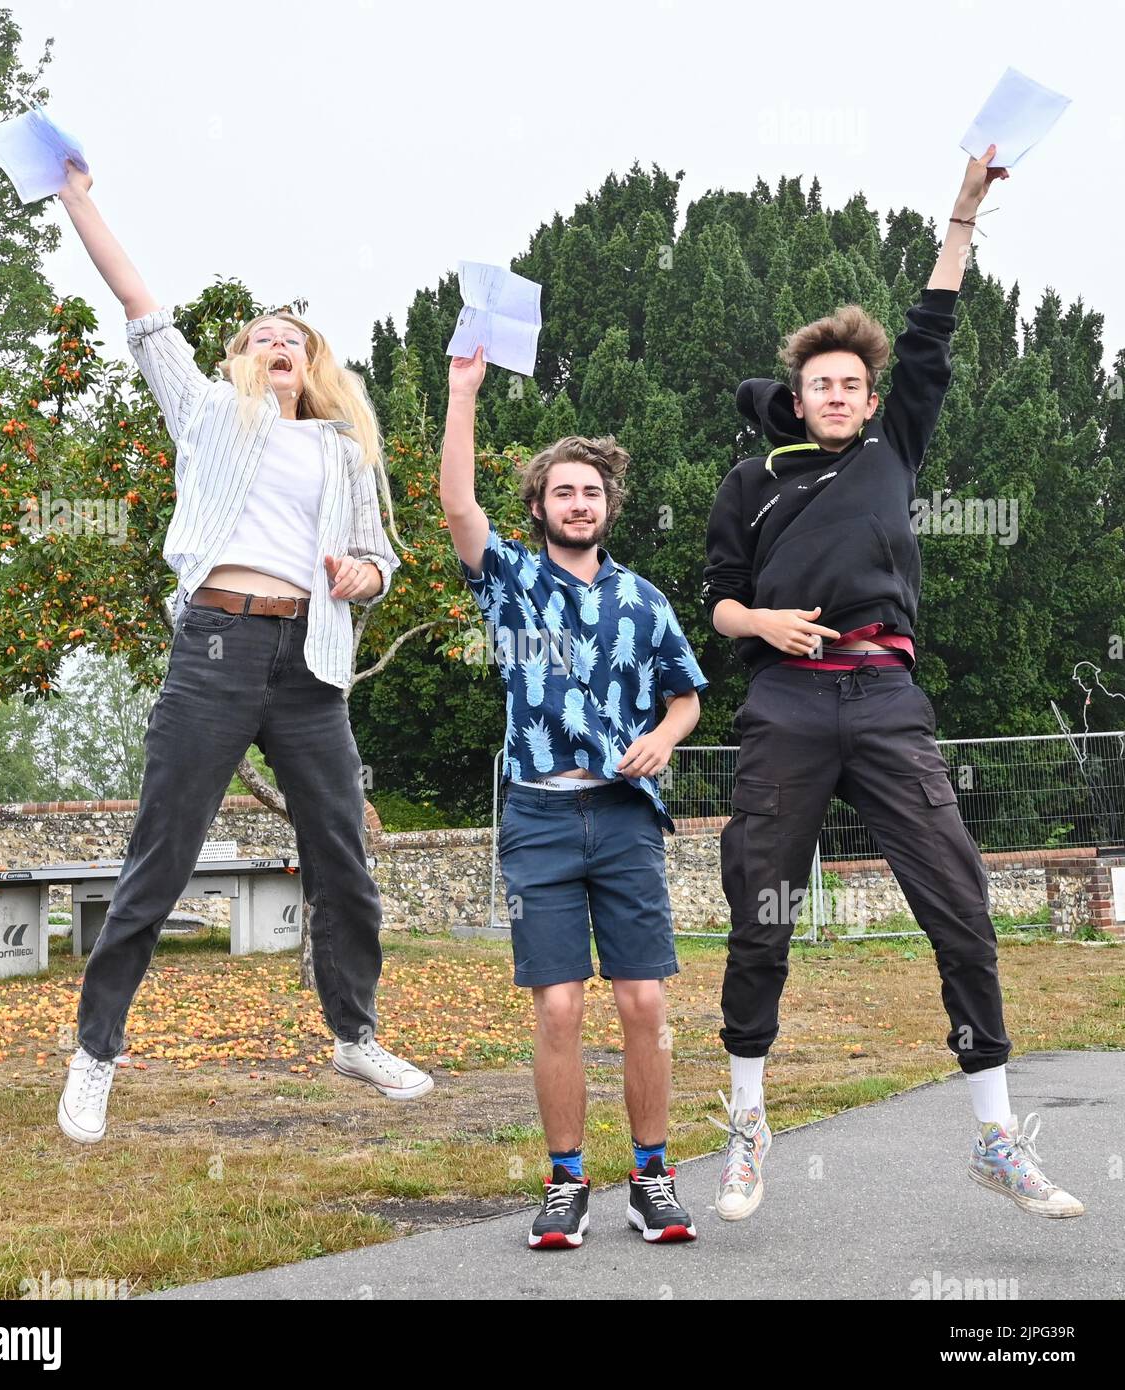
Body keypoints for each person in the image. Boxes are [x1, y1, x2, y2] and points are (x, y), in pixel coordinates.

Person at [702, 145, 1084, 1221]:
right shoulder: (750, 482)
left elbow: (931, 337)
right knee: (761, 910)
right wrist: (760, 621)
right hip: (784, 699)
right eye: (818, 382)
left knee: (959, 905)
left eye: (852, 385)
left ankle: (997, 1137)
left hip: (885, 700)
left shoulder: (891, 454)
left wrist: (961, 215)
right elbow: (719, 598)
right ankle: (745, 1124)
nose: (837, 394)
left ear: (872, 402)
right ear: (798, 395)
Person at [53, 159, 431, 1145]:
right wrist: (75, 197)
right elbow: (137, 302)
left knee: (343, 859)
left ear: (311, 366)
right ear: (238, 361)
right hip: (216, 649)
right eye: (261, 337)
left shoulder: (342, 451)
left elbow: (380, 557)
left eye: (292, 340)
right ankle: (97, 1054)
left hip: (308, 667)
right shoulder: (208, 417)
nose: (276, 345)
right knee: (161, 856)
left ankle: (354, 1032)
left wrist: (366, 579)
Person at [441, 346, 710, 1247]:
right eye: (562, 492)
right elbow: (455, 507)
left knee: (643, 1003)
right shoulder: (510, 584)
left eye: (590, 492)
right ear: (539, 506)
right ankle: (564, 1183)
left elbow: (687, 695)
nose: (578, 503)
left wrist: (666, 737)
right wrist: (461, 393)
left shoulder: (646, 601)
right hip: (539, 817)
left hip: (627, 818)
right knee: (558, 1005)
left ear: (608, 505)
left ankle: (652, 1176)